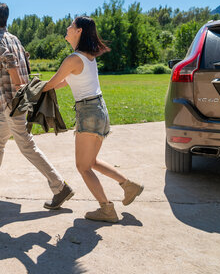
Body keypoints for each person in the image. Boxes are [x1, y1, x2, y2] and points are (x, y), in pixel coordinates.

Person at [42, 16, 144, 223]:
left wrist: (30, 87)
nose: (68, 28)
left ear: (79, 31)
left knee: (83, 166)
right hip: (99, 110)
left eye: (71, 25)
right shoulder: (87, 57)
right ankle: (128, 185)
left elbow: (52, 83)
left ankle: (106, 209)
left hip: (88, 112)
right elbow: (66, 82)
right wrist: (44, 85)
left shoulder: (73, 58)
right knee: (91, 162)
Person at [0, 1, 73, 210]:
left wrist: (19, 84)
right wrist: (23, 84)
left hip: (13, 101)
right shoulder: (15, 38)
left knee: (27, 145)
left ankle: (59, 186)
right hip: (14, 101)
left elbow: (9, 61)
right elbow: (24, 60)